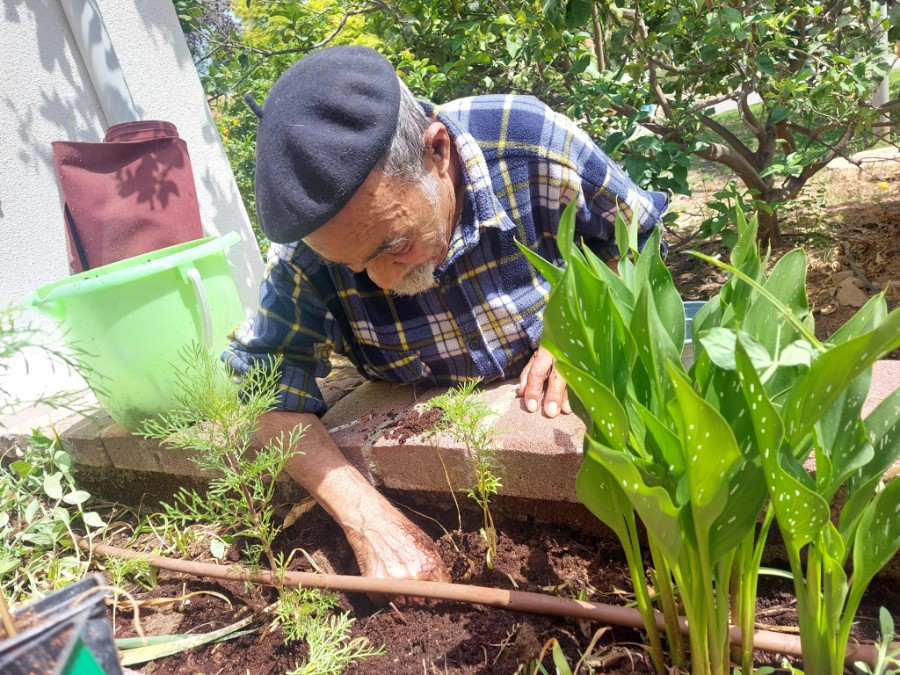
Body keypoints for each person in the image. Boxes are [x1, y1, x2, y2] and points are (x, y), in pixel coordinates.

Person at [225, 45, 668, 584]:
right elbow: (265, 394)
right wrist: (368, 520)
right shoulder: (307, 253)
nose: (383, 281)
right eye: (353, 267)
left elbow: (637, 236)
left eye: (394, 244)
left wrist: (583, 322)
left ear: (437, 152)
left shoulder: (530, 142)